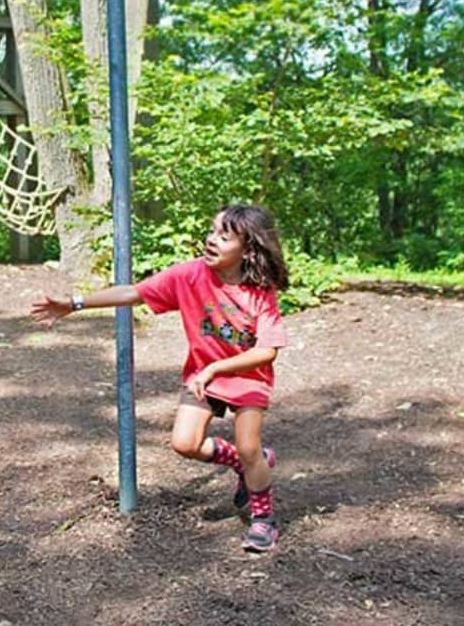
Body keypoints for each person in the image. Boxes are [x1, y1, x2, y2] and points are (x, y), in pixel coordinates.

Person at [31, 203, 290, 552]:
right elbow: (134, 293)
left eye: (224, 237)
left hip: (247, 376)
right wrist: (75, 303)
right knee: (185, 443)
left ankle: (264, 520)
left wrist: (215, 368)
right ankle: (249, 463)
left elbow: (267, 352)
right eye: (212, 231)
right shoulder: (190, 275)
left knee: (248, 447)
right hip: (205, 376)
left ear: (248, 248)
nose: (211, 240)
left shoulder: (260, 291)